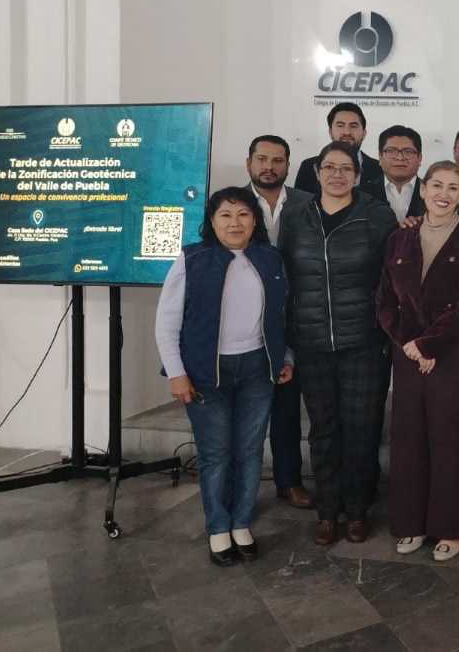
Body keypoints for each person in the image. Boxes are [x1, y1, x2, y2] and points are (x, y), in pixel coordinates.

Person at [155, 187, 292, 566]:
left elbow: (282, 314)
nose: (235, 223)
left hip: (257, 369)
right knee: (216, 453)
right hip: (205, 372)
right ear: (211, 221)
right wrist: (176, 373)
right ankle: (218, 527)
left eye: (243, 214)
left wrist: (285, 356)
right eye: (225, 215)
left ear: (254, 220)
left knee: (249, 450)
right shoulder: (192, 259)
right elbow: (166, 322)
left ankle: (241, 522)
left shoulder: (269, 258)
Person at [278, 141, 397, 546]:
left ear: (358, 175)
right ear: (316, 172)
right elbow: (286, 279)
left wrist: (386, 329)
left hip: (364, 342)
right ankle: (328, 511)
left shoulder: (377, 215)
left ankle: (358, 509)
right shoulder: (296, 217)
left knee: (362, 429)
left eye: (346, 168)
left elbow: (392, 278)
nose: (337, 175)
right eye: (329, 167)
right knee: (323, 430)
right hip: (311, 342)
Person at [376, 161, 459, 562]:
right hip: (408, 353)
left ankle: (451, 527)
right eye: (437, 185)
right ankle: (410, 523)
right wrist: (410, 344)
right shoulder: (399, 238)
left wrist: (431, 345)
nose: (443, 194)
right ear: (423, 189)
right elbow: (385, 300)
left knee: (452, 440)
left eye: (452, 188)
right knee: (409, 439)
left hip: (455, 352)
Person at [244, 134, 313, 510]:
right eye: (262, 159)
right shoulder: (231, 203)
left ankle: (289, 481)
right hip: (244, 320)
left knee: (286, 407)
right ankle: (241, 487)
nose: (269, 167)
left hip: (293, 316)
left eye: (277, 160)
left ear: (288, 165)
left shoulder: (307, 202)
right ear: (249, 163)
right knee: (245, 410)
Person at [293, 102, 383, 194]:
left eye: (353, 126)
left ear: (364, 133)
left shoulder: (380, 169)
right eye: (340, 126)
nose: (347, 132)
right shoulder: (309, 167)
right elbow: (301, 202)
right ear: (330, 132)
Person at [362, 125, 425, 221]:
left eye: (408, 152)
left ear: (419, 158)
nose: (400, 157)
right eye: (391, 151)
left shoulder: (434, 193)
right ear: (380, 157)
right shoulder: (362, 194)